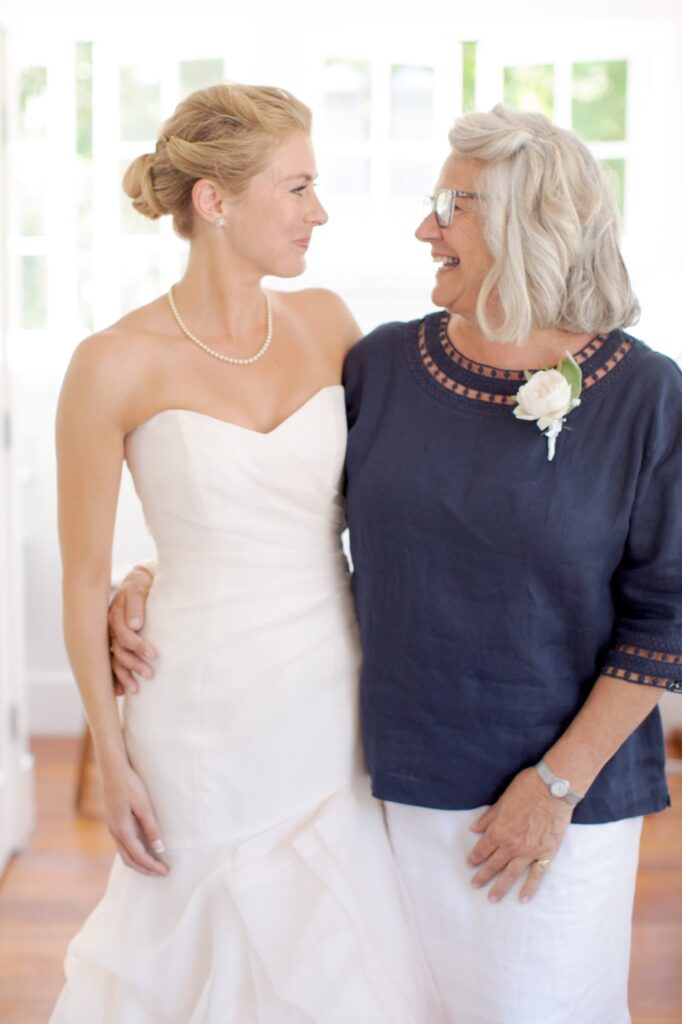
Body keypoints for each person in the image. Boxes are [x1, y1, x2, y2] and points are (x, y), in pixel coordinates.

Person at [112, 104, 682, 1024]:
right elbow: (279, 511)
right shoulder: (383, 366)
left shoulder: (645, 395)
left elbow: (668, 617)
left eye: (451, 206)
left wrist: (556, 786)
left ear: (525, 219)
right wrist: (149, 582)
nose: (426, 228)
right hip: (392, 793)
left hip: (558, 813)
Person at [51, 83, 436, 1024]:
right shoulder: (112, 364)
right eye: (297, 187)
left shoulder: (329, 323)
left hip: (330, 692)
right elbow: (78, 579)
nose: (320, 211)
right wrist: (111, 753)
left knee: (340, 958)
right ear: (213, 202)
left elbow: (384, 506)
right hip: (196, 712)